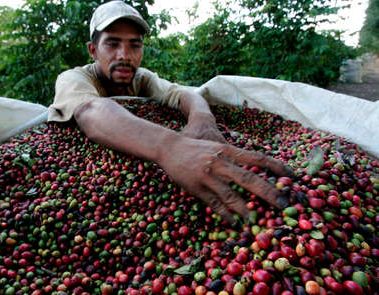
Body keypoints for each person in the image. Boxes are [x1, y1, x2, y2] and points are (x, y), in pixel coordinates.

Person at [48, 0, 293, 224]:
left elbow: (183, 94)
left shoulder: (141, 79)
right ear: (93, 50)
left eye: (134, 45)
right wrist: (172, 149)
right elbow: (91, 110)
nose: (124, 55)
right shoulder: (74, 79)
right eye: (112, 44)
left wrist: (203, 119)